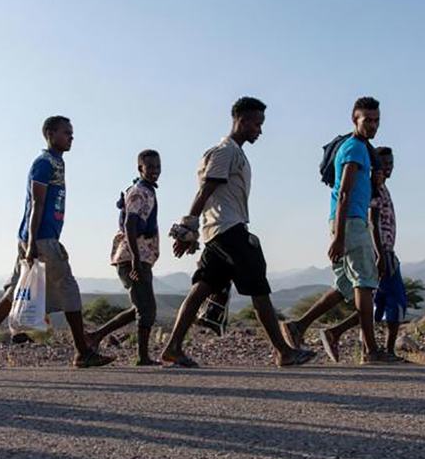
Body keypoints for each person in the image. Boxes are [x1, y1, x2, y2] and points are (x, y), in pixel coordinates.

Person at [162, 97, 316, 368]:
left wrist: (194, 228)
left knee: (201, 289)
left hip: (219, 231)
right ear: (242, 121)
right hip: (229, 231)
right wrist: (188, 226)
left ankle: (173, 347)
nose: (260, 130)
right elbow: (205, 191)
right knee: (259, 286)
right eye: (257, 124)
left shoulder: (231, 152)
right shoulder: (226, 152)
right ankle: (283, 351)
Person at [0, 116, 115, 369]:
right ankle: (83, 351)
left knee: (14, 293)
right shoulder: (44, 163)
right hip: (41, 239)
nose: (71, 137)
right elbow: (37, 202)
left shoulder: (57, 163)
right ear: (50, 134)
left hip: (37, 238)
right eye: (66, 132)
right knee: (69, 289)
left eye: (71, 133)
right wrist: (33, 242)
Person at [279, 97, 382, 363]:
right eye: (367, 120)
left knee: (345, 284)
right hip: (350, 221)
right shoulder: (355, 148)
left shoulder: (359, 147)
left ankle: (299, 326)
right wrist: (339, 237)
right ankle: (371, 351)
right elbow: (345, 192)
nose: (372, 125)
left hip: (347, 221)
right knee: (364, 283)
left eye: (376, 120)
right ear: (354, 120)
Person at [317, 146, 409, 363]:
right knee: (392, 300)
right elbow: (373, 222)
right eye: (383, 164)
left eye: (391, 164)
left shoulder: (381, 188)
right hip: (381, 251)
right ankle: (378, 351)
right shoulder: (373, 189)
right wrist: (381, 254)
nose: (388, 168)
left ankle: (360, 345)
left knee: (376, 301)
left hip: (384, 250)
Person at [86, 150, 164, 366]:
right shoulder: (139, 192)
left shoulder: (146, 191)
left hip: (139, 257)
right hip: (132, 258)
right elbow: (131, 224)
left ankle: (95, 336)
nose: (155, 171)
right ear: (140, 169)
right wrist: (136, 260)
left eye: (158, 167)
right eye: (150, 167)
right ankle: (143, 357)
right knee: (147, 309)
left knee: (140, 307)